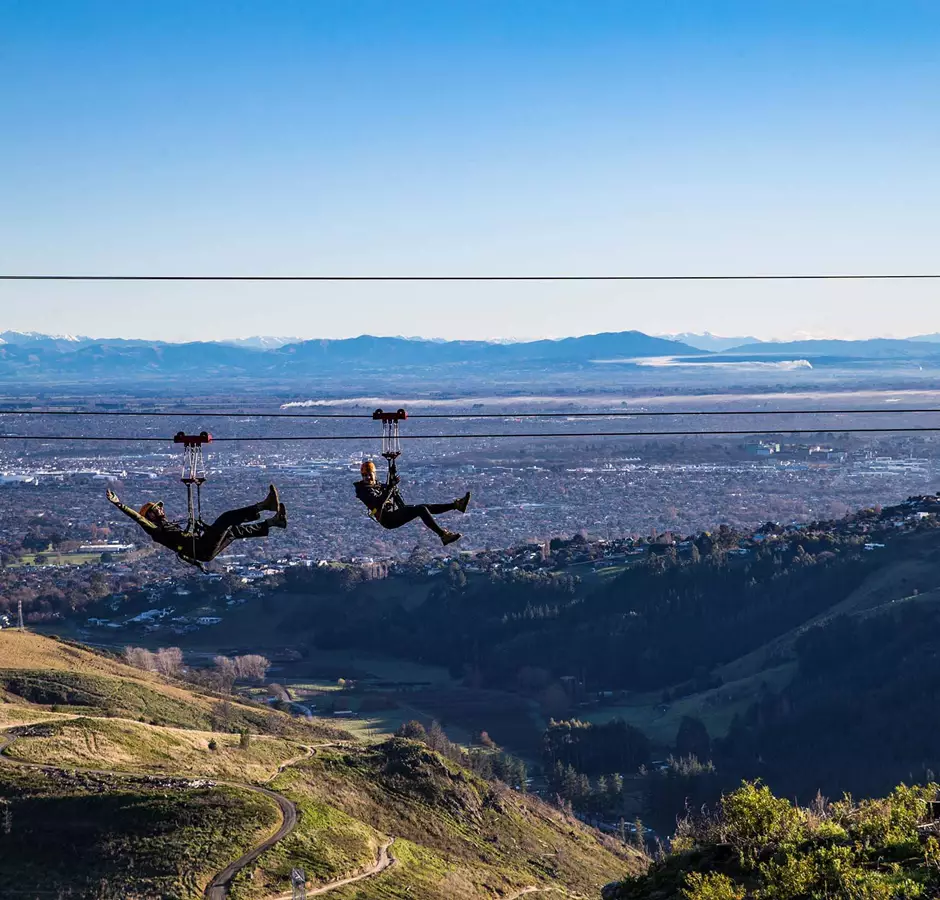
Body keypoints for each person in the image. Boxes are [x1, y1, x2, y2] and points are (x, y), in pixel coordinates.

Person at [107, 484, 287, 567]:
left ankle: (273, 522)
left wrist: (197, 563)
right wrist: (118, 503)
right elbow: (137, 518)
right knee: (225, 519)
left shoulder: (167, 526)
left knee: (232, 530)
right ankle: (264, 506)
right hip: (202, 548)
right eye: (156, 510)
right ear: (151, 516)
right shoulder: (156, 530)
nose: (161, 511)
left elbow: (182, 549)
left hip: (203, 550)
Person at [354, 460, 469, 546]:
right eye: (365, 475)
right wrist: (391, 487)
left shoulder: (377, 486)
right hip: (387, 519)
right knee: (420, 509)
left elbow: (391, 493)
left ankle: (456, 505)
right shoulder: (363, 491)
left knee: (423, 507)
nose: (367, 477)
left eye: (369, 474)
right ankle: (443, 535)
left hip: (393, 514)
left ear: (374, 474)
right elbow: (378, 503)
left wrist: (391, 484)